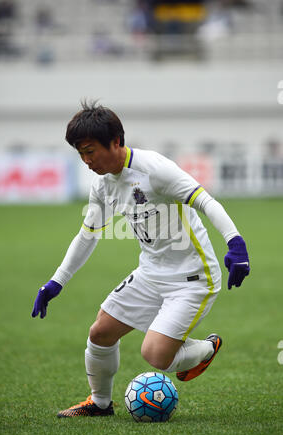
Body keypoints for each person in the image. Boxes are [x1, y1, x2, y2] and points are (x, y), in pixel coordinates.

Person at [31, 101, 250, 418]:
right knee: (100, 333)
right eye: (80, 154)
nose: (86, 161)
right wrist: (57, 281)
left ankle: (205, 348)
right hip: (150, 273)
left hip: (192, 278)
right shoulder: (103, 184)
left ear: (116, 141)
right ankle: (100, 403)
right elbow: (88, 234)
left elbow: (205, 200)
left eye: (90, 151)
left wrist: (235, 242)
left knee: (155, 355)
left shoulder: (155, 169)